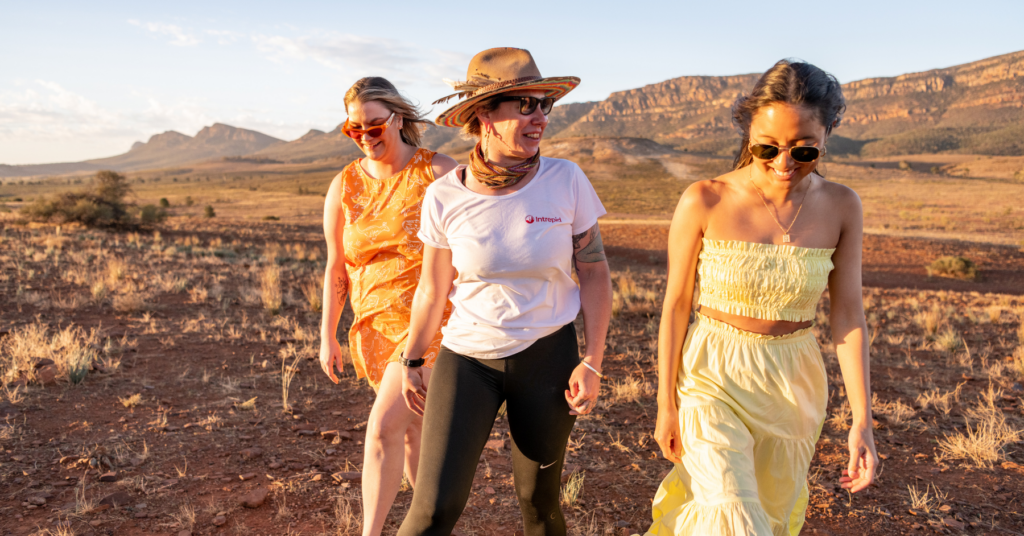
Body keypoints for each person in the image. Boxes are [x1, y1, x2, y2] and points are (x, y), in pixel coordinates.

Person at [644, 60, 877, 536]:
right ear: (748, 132)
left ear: (828, 132)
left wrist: (862, 421)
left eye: (803, 149)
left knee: (768, 517)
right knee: (734, 513)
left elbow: (848, 317)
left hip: (794, 385)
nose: (783, 164)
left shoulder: (841, 205)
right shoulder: (704, 198)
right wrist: (666, 402)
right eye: (767, 147)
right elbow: (676, 306)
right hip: (712, 373)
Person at [394, 48, 613, 536]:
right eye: (525, 105)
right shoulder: (445, 195)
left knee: (539, 503)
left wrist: (593, 360)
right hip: (467, 359)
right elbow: (433, 290)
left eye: (544, 104)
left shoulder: (566, 180)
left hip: (548, 357)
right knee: (433, 509)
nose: (540, 118)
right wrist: (411, 360)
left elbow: (594, 270)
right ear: (484, 116)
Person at [319, 77, 457, 536]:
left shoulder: (438, 173)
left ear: (398, 119)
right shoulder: (344, 183)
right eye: (354, 130)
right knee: (413, 432)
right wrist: (328, 335)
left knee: (381, 428)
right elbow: (337, 267)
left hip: (430, 324)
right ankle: (430, 528)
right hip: (372, 328)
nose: (365, 137)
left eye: (374, 126)